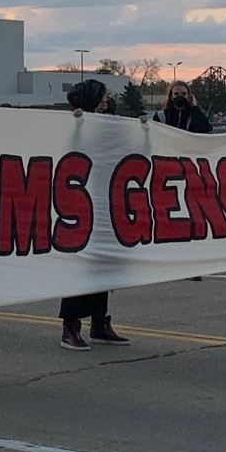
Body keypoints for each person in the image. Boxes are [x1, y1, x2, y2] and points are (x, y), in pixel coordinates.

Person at [59, 79, 132, 351]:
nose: (107, 101)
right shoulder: (75, 124)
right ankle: (70, 324)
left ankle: (99, 321)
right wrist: (77, 123)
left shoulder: (108, 123)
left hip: (105, 200)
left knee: (103, 263)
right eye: (103, 96)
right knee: (81, 265)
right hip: (79, 201)